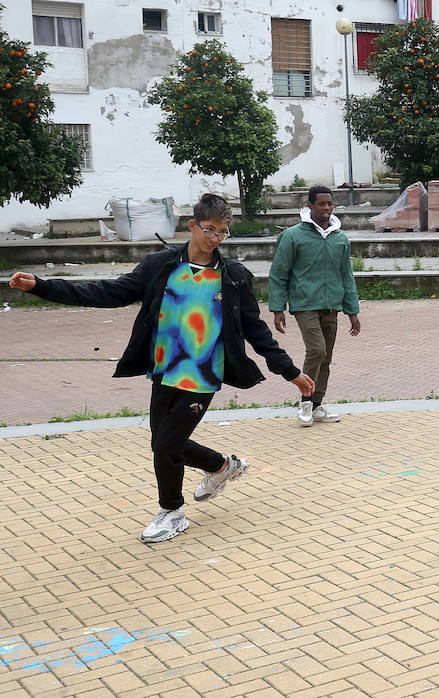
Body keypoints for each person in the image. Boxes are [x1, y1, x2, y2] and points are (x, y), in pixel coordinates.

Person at [7, 193, 314, 543]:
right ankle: (222, 467)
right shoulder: (162, 266)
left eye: (223, 232)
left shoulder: (233, 277)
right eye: (210, 230)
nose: (215, 239)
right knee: (164, 444)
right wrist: (44, 286)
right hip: (165, 371)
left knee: (167, 444)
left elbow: (255, 329)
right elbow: (108, 292)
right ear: (193, 225)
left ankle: (172, 512)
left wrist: (289, 370)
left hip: (203, 375)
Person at [268, 186, 361, 427]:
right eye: (321, 204)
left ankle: (318, 405)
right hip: (304, 304)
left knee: (326, 357)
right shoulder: (292, 236)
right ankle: (306, 402)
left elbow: (346, 276)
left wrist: (352, 311)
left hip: (331, 305)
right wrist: (278, 308)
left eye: (330, 204)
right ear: (309, 206)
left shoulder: (340, 238)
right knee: (317, 350)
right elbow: (279, 273)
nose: (327, 208)